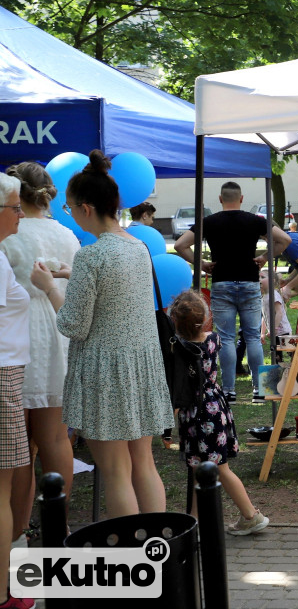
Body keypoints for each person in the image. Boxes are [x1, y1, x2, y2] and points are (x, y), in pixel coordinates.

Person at [30, 149, 173, 519]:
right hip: (140, 367)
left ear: (86, 208)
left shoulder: (92, 256)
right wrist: (69, 276)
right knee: (143, 463)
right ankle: (157, 548)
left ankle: (129, 559)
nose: (71, 214)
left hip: (105, 373)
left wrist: (49, 287)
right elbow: (116, 298)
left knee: (114, 471)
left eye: (70, 207)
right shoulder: (138, 246)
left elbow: (72, 325)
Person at [0, 163, 78, 549]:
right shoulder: (66, 234)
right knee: (54, 439)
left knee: (18, 449)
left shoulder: (8, 232)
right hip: (57, 329)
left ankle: (15, 533)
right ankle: (55, 527)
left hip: (18, 332)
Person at [174, 181, 292, 402]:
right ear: (242, 198)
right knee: (254, 338)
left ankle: (229, 391)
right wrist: (264, 257)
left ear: (220, 199)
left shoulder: (209, 222)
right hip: (249, 283)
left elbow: (181, 245)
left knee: (226, 339)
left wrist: (202, 263)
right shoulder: (256, 221)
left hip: (222, 283)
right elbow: (284, 240)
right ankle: (260, 390)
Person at [168, 290, 269, 535]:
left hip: (196, 413)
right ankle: (194, 521)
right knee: (200, 468)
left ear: (176, 324)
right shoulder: (213, 339)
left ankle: (251, 515)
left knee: (218, 469)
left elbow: (180, 382)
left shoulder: (180, 347)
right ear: (204, 319)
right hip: (216, 406)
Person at [0, 173, 34, 609]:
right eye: (14, 207)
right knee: (1, 489)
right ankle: (4, 593)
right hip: (3, 373)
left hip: (8, 371)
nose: (20, 214)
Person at [260, 269, 291, 343]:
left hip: (283, 332)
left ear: (272, 280)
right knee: (275, 352)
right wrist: (262, 333)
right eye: (258, 277)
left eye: (262, 277)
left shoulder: (273, 295)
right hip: (275, 332)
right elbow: (265, 316)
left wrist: (274, 329)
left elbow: (279, 313)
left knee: (288, 353)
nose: (259, 279)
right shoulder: (264, 297)